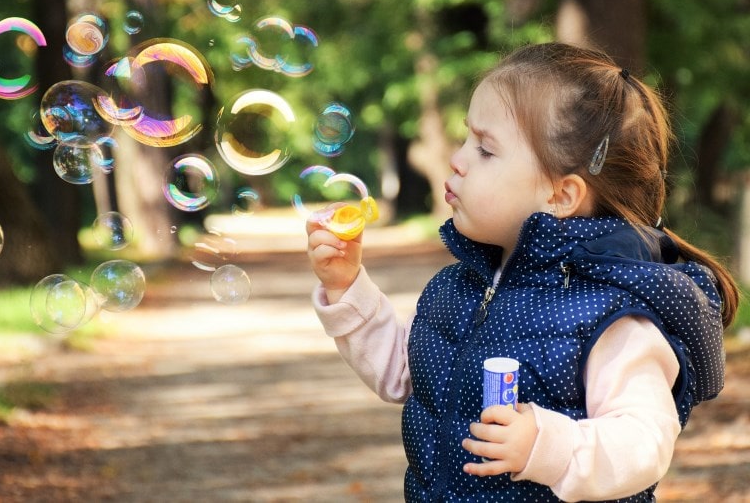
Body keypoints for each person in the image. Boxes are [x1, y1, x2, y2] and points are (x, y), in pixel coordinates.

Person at [306, 42, 738, 502]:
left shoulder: (609, 314)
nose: (458, 159)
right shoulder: (459, 287)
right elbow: (405, 373)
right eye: (466, 138)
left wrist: (547, 444)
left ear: (561, 195)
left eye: (486, 150)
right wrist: (347, 286)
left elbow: (644, 441)